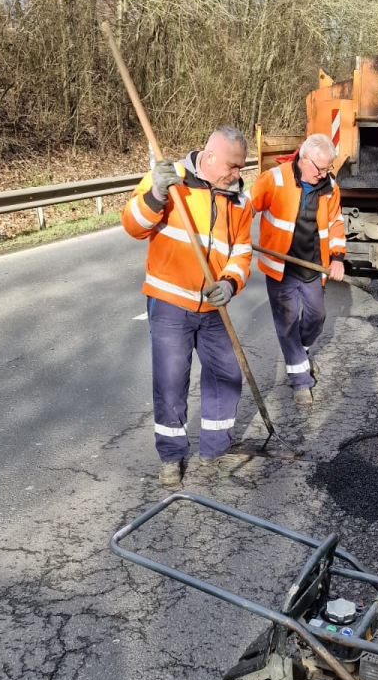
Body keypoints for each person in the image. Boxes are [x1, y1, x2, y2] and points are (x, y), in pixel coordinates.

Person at [121, 126, 252, 487]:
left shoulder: (239, 199)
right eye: (232, 166)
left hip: (213, 309)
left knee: (227, 375)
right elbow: (132, 225)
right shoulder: (169, 179)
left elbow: (241, 252)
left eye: (241, 167)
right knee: (170, 383)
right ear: (209, 157)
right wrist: (157, 196)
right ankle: (171, 458)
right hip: (169, 303)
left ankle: (215, 448)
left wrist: (230, 282)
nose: (237, 174)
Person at [249, 133, 345, 407]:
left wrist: (337, 257)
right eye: (320, 168)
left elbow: (336, 222)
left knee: (317, 316)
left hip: (312, 266)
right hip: (280, 268)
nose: (324, 174)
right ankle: (301, 383)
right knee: (287, 324)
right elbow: (244, 209)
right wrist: (230, 236)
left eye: (328, 169)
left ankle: (300, 354)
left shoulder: (330, 186)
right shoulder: (274, 179)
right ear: (304, 158)